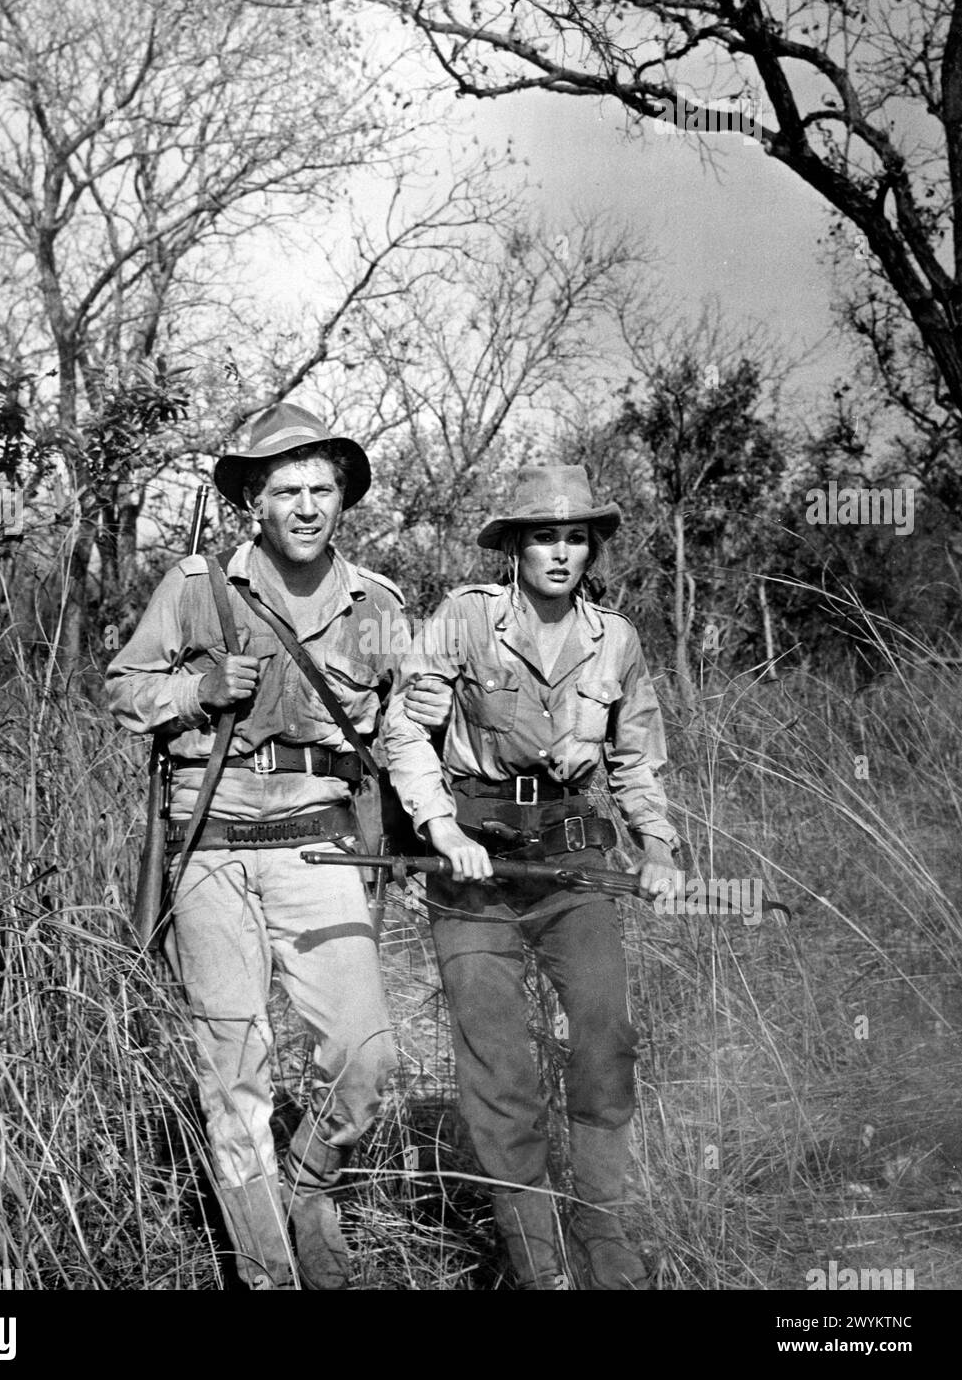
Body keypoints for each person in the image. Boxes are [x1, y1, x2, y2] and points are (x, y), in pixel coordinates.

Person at [106, 402, 448, 1290]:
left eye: (321, 489)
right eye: (285, 489)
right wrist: (201, 687)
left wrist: (434, 818)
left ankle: (308, 1183)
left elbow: (401, 729)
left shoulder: (373, 605)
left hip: (320, 844)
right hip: (212, 842)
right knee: (233, 1070)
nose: (305, 507)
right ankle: (267, 1274)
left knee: (366, 1059)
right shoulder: (196, 589)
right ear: (252, 503)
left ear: (343, 501)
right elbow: (123, 690)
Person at [381, 463, 681, 1291]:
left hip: (574, 865)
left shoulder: (612, 637)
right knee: (497, 1068)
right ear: (512, 546)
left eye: (575, 536)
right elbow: (404, 731)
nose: (560, 551)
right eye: (542, 535)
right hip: (472, 868)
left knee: (603, 1042)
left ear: (591, 548)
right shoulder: (466, 619)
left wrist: (656, 846)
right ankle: (536, 1259)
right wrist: (438, 827)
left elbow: (634, 755)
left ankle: (602, 1222)